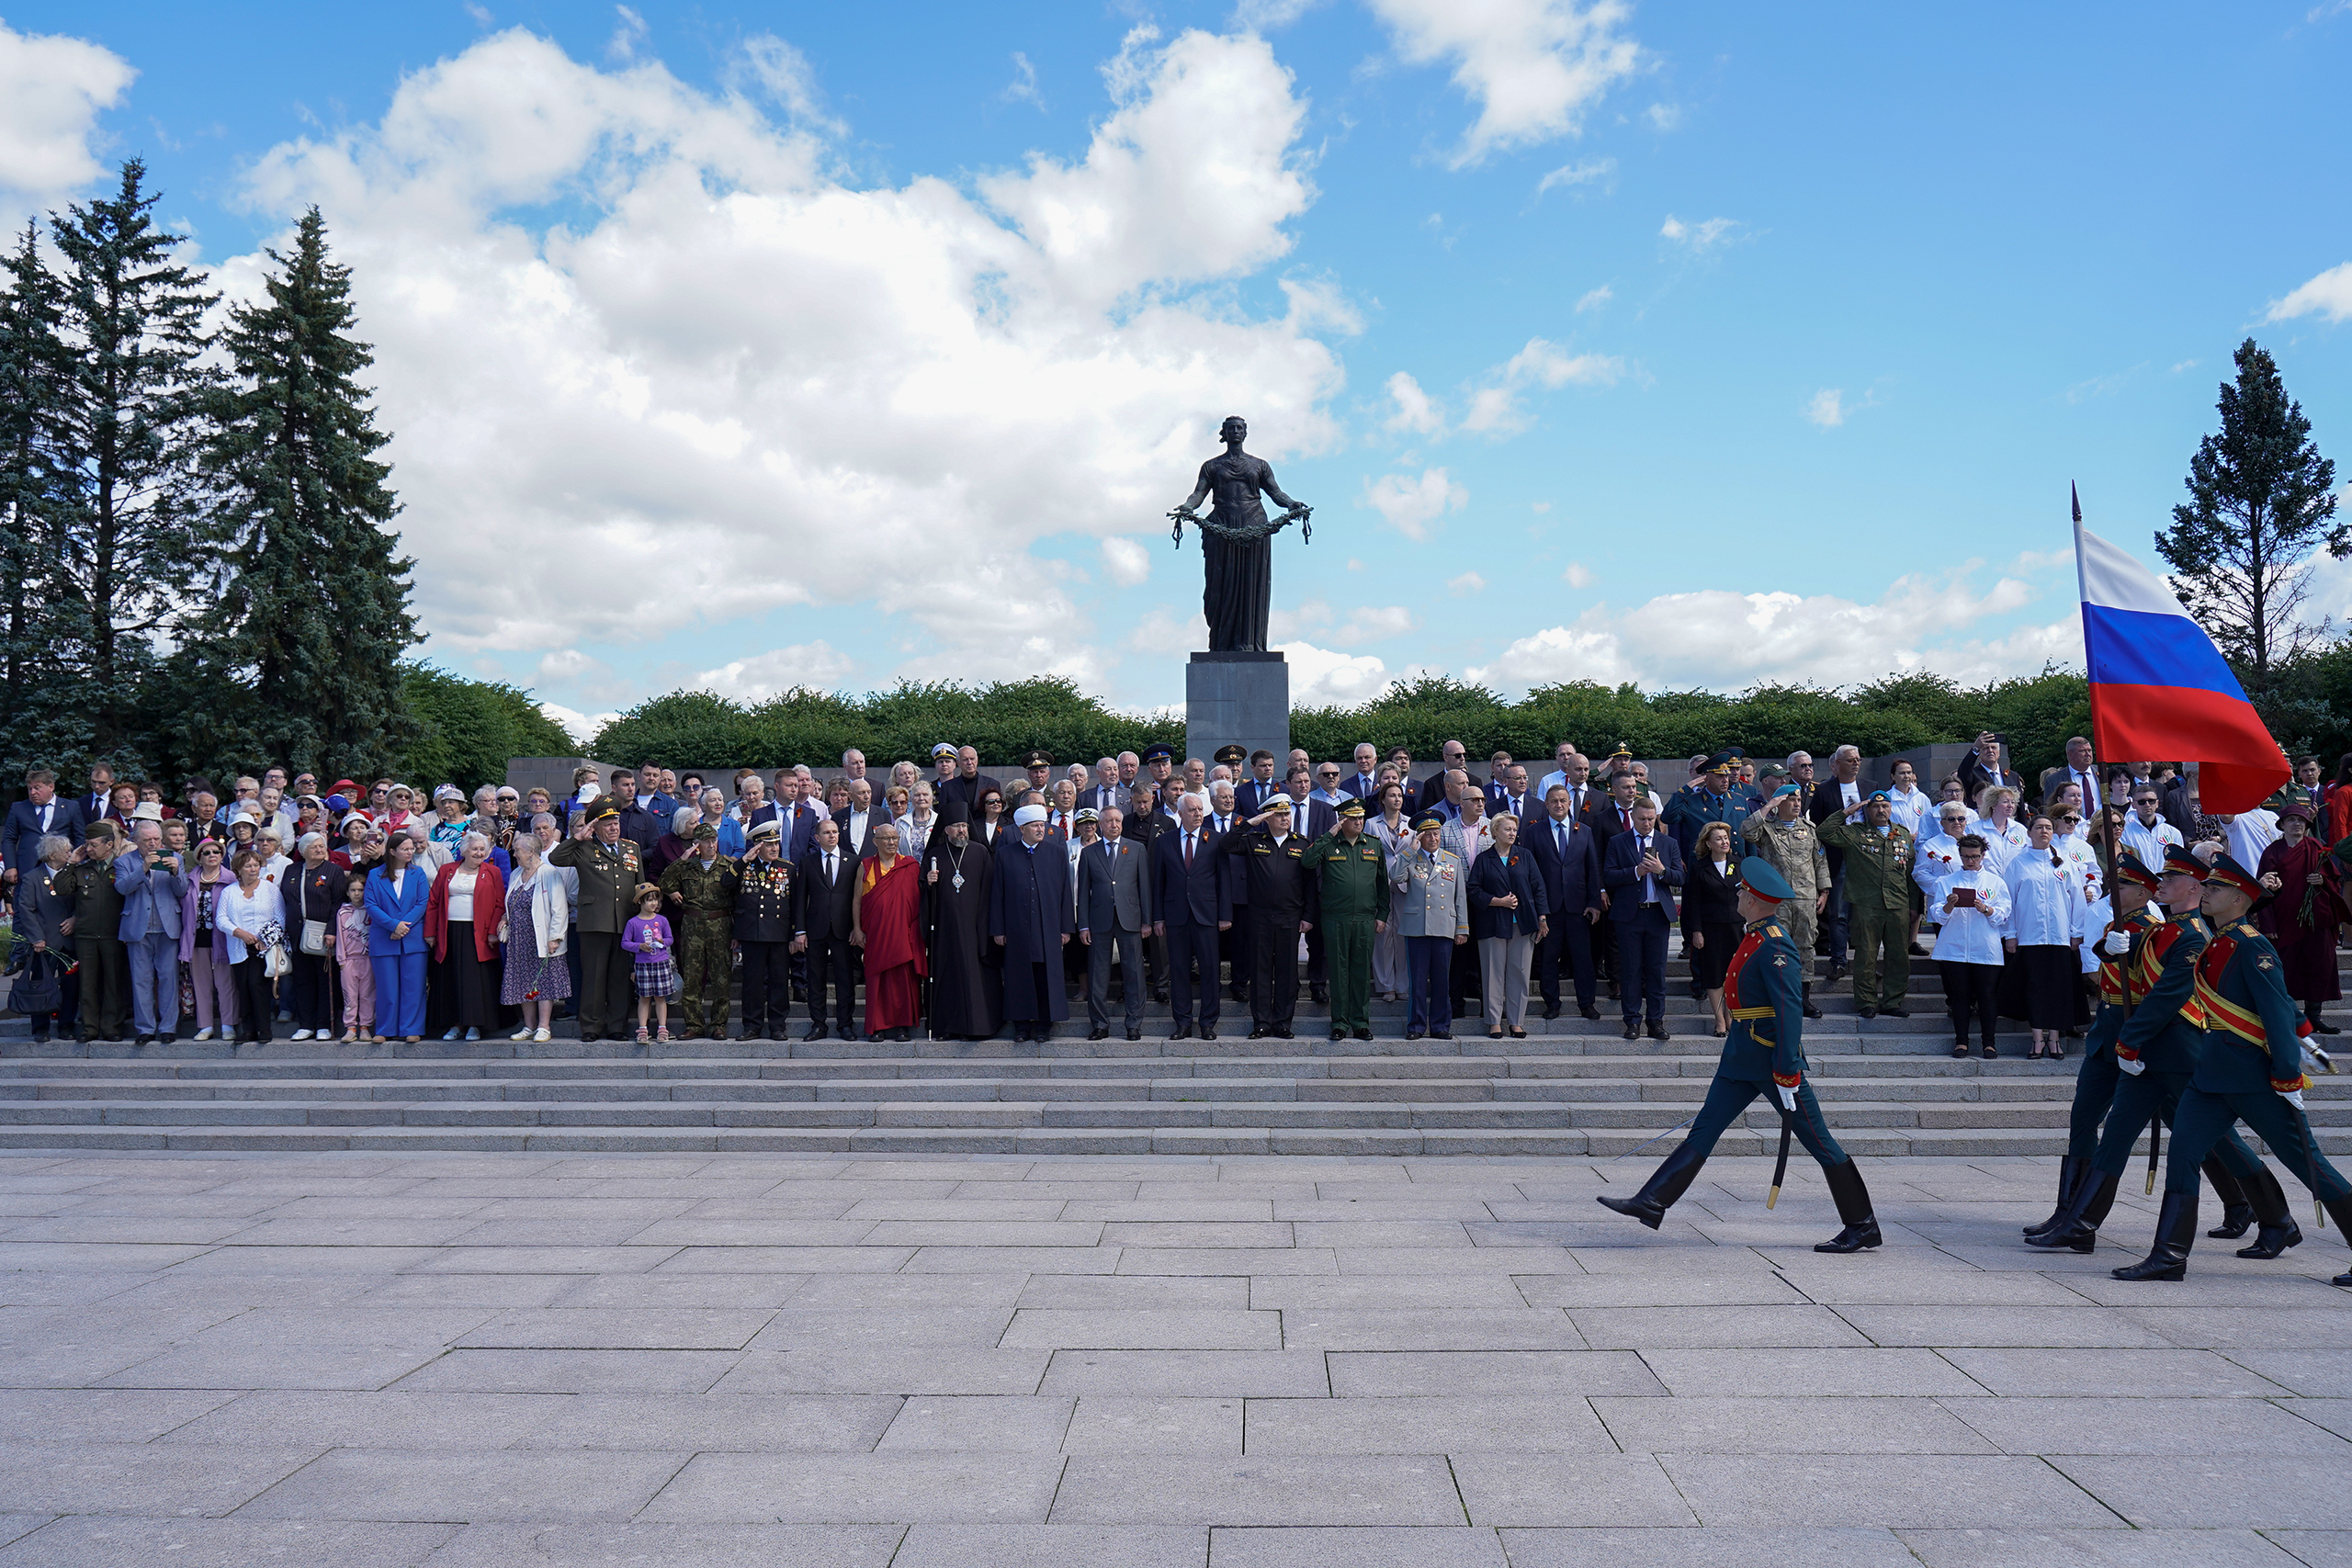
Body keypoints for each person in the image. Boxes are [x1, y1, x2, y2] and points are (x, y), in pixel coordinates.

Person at [1596, 855, 1883, 1253]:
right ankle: (1652, 1202)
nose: (1739, 893)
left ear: (1756, 900)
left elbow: (1788, 1010)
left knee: (1820, 1143)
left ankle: (1862, 1225)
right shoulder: (1755, 935)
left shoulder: (1775, 944)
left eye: (1744, 890)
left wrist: (1786, 1069)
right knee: (1705, 1130)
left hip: (1771, 1061)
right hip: (1741, 1059)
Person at [2114, 853, 2352, 1286]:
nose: (2206, 892)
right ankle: (2168, 1256)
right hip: (2211, 1076)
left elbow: (2277, 1013)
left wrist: (2288, 1073)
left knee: (2308, 1165)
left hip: (2253, 1079)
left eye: (2216, 889)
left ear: (2240, 899)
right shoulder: (2217, 941)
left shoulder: (2252, 946)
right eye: (2206, 887)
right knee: (2183, 1153)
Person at [2030, 848, 2271, 1256]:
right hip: (2117, 1039)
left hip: (2161, 1046)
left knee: (2214, 1139)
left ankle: (2261, 1210)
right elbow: (2116, 956)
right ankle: (2073, 1217)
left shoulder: (2186, 932)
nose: (2115, 887)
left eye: (2125, 884)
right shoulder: (2152, 928)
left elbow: (2164, 995)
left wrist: (2133, 1040)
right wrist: (2110, 946)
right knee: (2095, 1125)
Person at [1221, 795, 1319, 1041]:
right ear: (1267, 818)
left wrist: (1308, 916)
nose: (1285, 818)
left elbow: (1310, 884)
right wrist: (1249, 823)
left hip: (1290, 916)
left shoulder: (1302, 844)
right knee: (1260, 971)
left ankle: (1283, 1023)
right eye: (1278, 814)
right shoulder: (1254, 840)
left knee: (1287, 974)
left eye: (1287, 814)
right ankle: (1262, 1023)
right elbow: (1226, 845)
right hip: (1259, 917)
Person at [1815, 791, 1917, 1021]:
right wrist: (1846, 812)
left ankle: (1892, 1001)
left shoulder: (1902, 834)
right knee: (1866, 955)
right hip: (1866, 904)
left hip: (1897, 904)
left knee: (1899, 956)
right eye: (1875, 807)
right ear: (1867, 810)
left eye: (1885, 806)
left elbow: (1909, 873)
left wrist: (1914, 905)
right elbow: (1824, 832)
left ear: (1891, 808)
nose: (1881, 811)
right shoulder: (1855, 833)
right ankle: (1866, 1002)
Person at [550, 801, 644, 1044]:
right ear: (596, 827)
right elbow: (555, 858)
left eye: (616, 823)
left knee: (619, 978)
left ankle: (617, 1026)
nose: (614, 828)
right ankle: (591, 1026)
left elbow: (639, 886)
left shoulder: (631, 849)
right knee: (593, 977)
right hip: (594, 922)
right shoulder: (584, 848)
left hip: (624, 922)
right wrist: (578, 837)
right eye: (608, 824)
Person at [2002, 814, 2088, 1058]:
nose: (2044, 831)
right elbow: (2009, 900)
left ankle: (2055, 1039)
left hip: (2060, 937)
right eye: (2038, 827)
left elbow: (2076, 899)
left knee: (2059, 990)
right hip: (2030, 937)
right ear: (2029, 833)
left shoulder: (2064, 864)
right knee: (2036, 989)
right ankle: (2037, 1039)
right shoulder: (2018, 864)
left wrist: (2076, 932)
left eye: (2049, 827)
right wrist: (2010, 934)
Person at [2255, 803, 2346, 1034]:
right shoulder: (2273, 852)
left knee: (2320, 965)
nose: (2297, 824)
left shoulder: (2316, 847)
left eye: (2301, 821)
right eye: (2292, 820)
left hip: (2315, 919)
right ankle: (2286, 1017)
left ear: (2307, 825)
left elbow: (2333, 881)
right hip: (2284, 920)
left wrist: (2322, 881)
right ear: (2282, 825)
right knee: (2285, 969)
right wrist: (2267, 924)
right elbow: (2263, 890)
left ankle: (2313, 1016)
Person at [1304, 799, 1388, 1043]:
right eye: (1352, 818)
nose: (1358, 822)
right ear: (1342, 821)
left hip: (1364, 919)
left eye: (1361, 817)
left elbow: (1382, 884)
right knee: (1339, 973)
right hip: (1335, 919)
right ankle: (1339, 1022)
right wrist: (1328, 835)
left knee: (1361, 973)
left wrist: (1382, 915)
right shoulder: (1330, 844)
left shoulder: (1373, 845)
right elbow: (1307, 861)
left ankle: (1360, 1023)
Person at [991, 803, 1075, 1043]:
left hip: (1048, 927)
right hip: (1016, 927)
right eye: (1036, 825)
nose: (1041, 829)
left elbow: (1064, 892)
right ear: (1022, 829)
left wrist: (1065, 927)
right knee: (1019, 976)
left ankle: (1043, 1025)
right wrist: (998, 929)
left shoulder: (1056, 852)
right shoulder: (1006, 854)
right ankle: (1021, 1026)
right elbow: (998, 892)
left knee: (1044, 975)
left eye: (1042, 825)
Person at [1602, 798, 1683, 1043]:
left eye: (1651, 819)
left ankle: (1655, 1021)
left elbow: (1680, 877)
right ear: (1633, 818)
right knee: (1631, 969)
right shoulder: (1618, 841)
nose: (1647, 823)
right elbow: (1608, 875)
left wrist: (1661, 871)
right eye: (1642, 819)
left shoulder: (1668, 843)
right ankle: (1632, 1021)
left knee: (1657, 971)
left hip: (1658, 914)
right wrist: (1635, 872)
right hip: (1630, 915)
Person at [1925, 833, 2010, 1059]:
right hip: (1955, 947)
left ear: (1983, 856)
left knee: (1986, 994)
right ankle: (1961, 1042)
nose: (1970, 861)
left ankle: (1989, 1043)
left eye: (1974, 857)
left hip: (1986, 947)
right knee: (1960, 995)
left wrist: (1987, 909)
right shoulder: (1947, 881)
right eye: (1965, 857)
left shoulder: (1995, 882)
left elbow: (2004, 914)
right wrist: (1948, 907)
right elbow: (1935, 915)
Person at [1152, 792, 1228, 1041]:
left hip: (1206, 915)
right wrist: (1158, 918)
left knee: (1209, 970)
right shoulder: (1165, 842)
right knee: (1179, 971)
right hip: (1176, 916)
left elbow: (1223, 881)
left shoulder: (1216, 840)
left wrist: (1224, 915)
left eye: (1200, 810)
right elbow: (1158, 883)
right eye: (1193, 810)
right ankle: (1183, 1022)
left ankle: (1208, 1023)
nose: (1198, 814)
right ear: (1181, 813)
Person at [1526, 783, 1605, 1022]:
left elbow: (1593, 869)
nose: (1558, 805)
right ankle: (1552, 1003)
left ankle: (1586, 1004)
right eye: (1553, 801)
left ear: (1570, 803)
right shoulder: (1533, 832)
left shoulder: (1585, 831)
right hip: (1548, 908)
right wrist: (1537, 909)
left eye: (1563, 800)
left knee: (1583, 957)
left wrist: (1594, 902)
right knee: (1548, 958)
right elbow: (1529, 873)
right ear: (1546, 805)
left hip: (1578, 906)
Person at [922, 803, 1000, 1042]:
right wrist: (928, 883)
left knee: (975, 976)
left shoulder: (979, 852)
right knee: (948, 976)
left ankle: (977, 1027)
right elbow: (922, 894)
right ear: (946, 830)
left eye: (964, 825)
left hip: (976, 926)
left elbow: (990, 891)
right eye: (957, 826)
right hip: (945, 929)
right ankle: (947, 1026)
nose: (962, 830)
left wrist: (985, 925)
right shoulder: (935, 856)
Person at [1467, 809, 1545, 1040]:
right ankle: (1493, 1022)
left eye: (1514, 829)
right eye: (1507, 829)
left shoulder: (1525, 855)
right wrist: (1497, 902)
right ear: (1495, 832)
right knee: (1493, 974)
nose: (1512, 833)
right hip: (1492, 923)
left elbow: (1538, 887)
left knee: (1519, 973)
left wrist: (1542, 918)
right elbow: (1473, 889)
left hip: (1522, 923)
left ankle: (1516, 1021)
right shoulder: (1484, 858)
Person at [1391, 813, 1469, 1041]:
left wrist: (1462, 928)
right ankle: (1415, 1025)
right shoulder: (1411, 858)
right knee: (1417, 981)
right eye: (1428, 835)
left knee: (1441, 980)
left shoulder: (1452, 861)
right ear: (1420, 837)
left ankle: (1440, 1025)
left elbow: (1460, 897)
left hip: (1444, 927)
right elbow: (1395, 877)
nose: (1433, 838)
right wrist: (1409, 850)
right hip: (1417, 927)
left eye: (1436, 834)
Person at [657, 824, 740, 1040]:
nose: (711, 845)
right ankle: (694, 1024)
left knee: (721, 977)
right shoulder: (688, 866)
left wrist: (737, 933)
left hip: (720, 923)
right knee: (692, 977)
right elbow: (664, 882)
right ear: (697, 844)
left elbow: (740, 900)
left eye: (713, 840)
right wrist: (682, 859)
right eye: (706, 841)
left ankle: (718, 1024)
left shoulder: (728, 865)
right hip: (692, 924)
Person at [1077, 807, 1151, 1043]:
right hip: (1099, 921)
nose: (1114, 825)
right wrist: (1083, 925)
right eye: (1109, 821)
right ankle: (1099, 1025)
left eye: (1118, 820)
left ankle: (1134, 1024)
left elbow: (1145, 889)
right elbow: (1083, 893)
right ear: (1100, 824)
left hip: (1130, 919)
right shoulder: (1089, 853)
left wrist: (1147, 921)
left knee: (1134, 974)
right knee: (1098, 975)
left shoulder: (1137, 849)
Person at [424, 831, 503, 1043]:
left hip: (479, 935)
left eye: (482, 850)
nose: (479, 853)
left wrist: (493, 931)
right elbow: (433, 903)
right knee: (452, 978)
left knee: (474, 981)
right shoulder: (446, 870)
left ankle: (475, 1025)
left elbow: (499, 903)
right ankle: (455, 1024)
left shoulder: (493, 872)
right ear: (464, 850)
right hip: (449, 932)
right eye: (475, 849)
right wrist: (430, 932)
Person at [114, 820, 188, 1045]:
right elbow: (122, 888)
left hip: (168, 927)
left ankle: (168, 1028)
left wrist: (176, 871)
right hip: (138, 927)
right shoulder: (123, 861)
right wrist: (143, 868)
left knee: (168, 979)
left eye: (156, 839)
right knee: (141, 981)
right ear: (136, 841)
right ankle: (145, 1028)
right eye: (148, 840)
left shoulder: (176, 858)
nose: (153, 843)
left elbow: (182, 890)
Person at [850, 821, 925, 1042]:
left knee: (903, 981)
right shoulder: (864, 866)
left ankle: (902, 1026)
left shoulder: (910, 866)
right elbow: (856, 901)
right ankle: (877, 1027)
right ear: (875, 842)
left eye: (894, 838)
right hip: (876, 934)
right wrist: (857, 929)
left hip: (903, 934)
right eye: (886, 839)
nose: (891, 842)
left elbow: (916, 901)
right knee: (877, 981)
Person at [500, 824, 570, 1043]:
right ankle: (528, 1026)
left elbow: (560, 908)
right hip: (519, 939)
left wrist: (555, 937)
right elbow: (511, 902)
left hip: (541, 938)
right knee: (523, 982)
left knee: (543, 982)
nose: (515, 853)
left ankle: (543, 1026)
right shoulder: (516, 874)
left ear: (531, 851)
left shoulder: (549, 873)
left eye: (518, 850)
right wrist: (505, 918)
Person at [62, 824, 128, 1043]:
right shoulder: (82, 869)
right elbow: (62, 888)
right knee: (87, 983)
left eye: (93, 844)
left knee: (114, 983)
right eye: (87, 844)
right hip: (86, 935)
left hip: (113, 934)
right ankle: (89, 1028)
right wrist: (72, 861)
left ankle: (112, 1027)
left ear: (109, 845)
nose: (88, 848)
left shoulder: (121, 867)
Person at [11, 836, 79, 1042]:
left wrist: (75, 919)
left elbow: (83, 901)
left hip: (70, 939)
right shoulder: (32, 877)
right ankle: (40, 1027)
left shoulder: (74, 874)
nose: (69, 853)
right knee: (40, 985)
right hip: (44, 943)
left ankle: (66, 1024)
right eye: (66, 851)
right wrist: (36, 938)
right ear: (52, 855)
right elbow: (26, 910)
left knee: (71, 984)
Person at [731, 819, 796, 1040]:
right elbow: (725, 883)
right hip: (752, 933)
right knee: (752, 982)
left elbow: (795, 903)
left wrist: (796, 933)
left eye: (776, 843)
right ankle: (752, 1025)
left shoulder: (787, 868)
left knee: (779, 981)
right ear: (757, 847)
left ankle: (777, 1026)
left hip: (779, 933)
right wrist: (742, 861)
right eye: (769, 845)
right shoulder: (745, 866)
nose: (774, 848)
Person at [212, 851, 283, 1044]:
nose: (253, 869)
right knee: (242, 987)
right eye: (248, 866)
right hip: (238, 947)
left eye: (255, 865)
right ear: (238, 870)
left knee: (258, 986)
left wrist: (266, 939)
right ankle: (248, 1030)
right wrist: (239, 932)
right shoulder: (229, 891)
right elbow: (221, 919)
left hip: (263, 948)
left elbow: (280, 917)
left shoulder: (270, 889)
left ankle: (264, 1029)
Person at [284, 833, 348, 1042]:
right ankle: (306, 1024)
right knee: (302, 980)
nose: (320, 850)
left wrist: (331, 930)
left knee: (325, 979)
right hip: (296, 934)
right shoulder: (291, 870)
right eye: (314, 847)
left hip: (322, 933)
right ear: (303, 851)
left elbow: (338, 903)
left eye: (322, 846)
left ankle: (324, 1024)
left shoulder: (333, 871)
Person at [1682, 821, 1743, 1037]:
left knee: (1733, 974)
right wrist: (1696, 931)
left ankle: (1732, 1017)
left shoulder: (1739, 863)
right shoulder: (1700, 867)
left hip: (1736, 928)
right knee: (1714, 974)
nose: (1724, 842)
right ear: (1708, 843)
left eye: (1726, 838)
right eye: (1719, 838)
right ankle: (1719, 1020)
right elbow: (1693, 902)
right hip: (1711, 929)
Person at [178, 839, 239, 1041]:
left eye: (216, 852)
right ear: (199, 858)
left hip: (222, 939)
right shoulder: (189, 880)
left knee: (225, 984)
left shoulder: (231, 879)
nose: (212, 855)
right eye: (207, 853)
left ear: (222, 856)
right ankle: (205, 1026)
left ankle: (228, 1024)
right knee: (201, 984)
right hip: (196, 939)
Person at [4, 769, 83, 911]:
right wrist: (10, 866)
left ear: (51, 786)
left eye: (37, 788)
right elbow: (9, 838)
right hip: (27, 869)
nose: (32, 792)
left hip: (61, 869)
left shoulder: (71, 807)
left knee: (60, 908)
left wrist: (76, 864)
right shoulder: (19, 808)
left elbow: (79, 838)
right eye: (30, 789)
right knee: (24, 910)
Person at [1367, 781, 1416, 1005]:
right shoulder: (1371, 824)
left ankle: (1403, 985)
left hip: (1405, 884)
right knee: (1383, 934)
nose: (1397, 799)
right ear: (1383, 800)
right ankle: (1386, 986)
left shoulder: (1411, 824)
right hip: (1381, 883)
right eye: (1392, 796)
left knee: (1403, 935)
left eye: (1399, 796)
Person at [620, 884, 677, 1043]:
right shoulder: (633, 923)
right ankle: (643, 1029)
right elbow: (625, 943)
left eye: (656, 900)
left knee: (661, 997)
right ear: (640, 902)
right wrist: (639, 946)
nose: (653, 903)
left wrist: (662, 941)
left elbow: (670, 939)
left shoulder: (662, 920)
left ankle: (662, 1028)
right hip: (643, 964)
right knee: (644, 997)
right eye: (649, 900)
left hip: (661, 962)